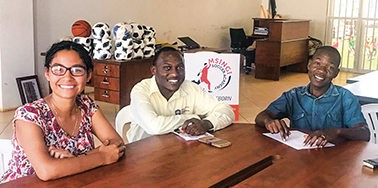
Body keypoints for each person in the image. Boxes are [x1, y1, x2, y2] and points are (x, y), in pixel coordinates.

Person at [0, 41, 125, 183]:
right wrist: (101, 157)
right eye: (58, 69)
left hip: (70, 182)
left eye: (77, 70)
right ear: (47, 73)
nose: (67, 77)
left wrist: (74, 160)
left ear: (89, 75)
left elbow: (116, 144)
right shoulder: (29, 115)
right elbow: (46, 171)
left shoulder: (87, 106)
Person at [255, 46, 370, 147]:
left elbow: (364, 132)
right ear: (309, 65)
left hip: (334, 159)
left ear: (336, 73)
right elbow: (261, 116)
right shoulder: (293, 96)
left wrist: (338, 131)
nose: (321, 70)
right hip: (300, 158)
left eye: (330, 67)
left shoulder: (345, 98)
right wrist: (268, 121)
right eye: (317, 63)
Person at [126, 47, 235, 142]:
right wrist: (193, 117)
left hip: (178, 150)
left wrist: (206, 123)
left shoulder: (191, 88)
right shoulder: (141, 91)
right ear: (154, 70)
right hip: (143, 155)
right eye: (167, 68)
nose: (175, 74)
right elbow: (155, 127)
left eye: (180, 68)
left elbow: (227, 110)